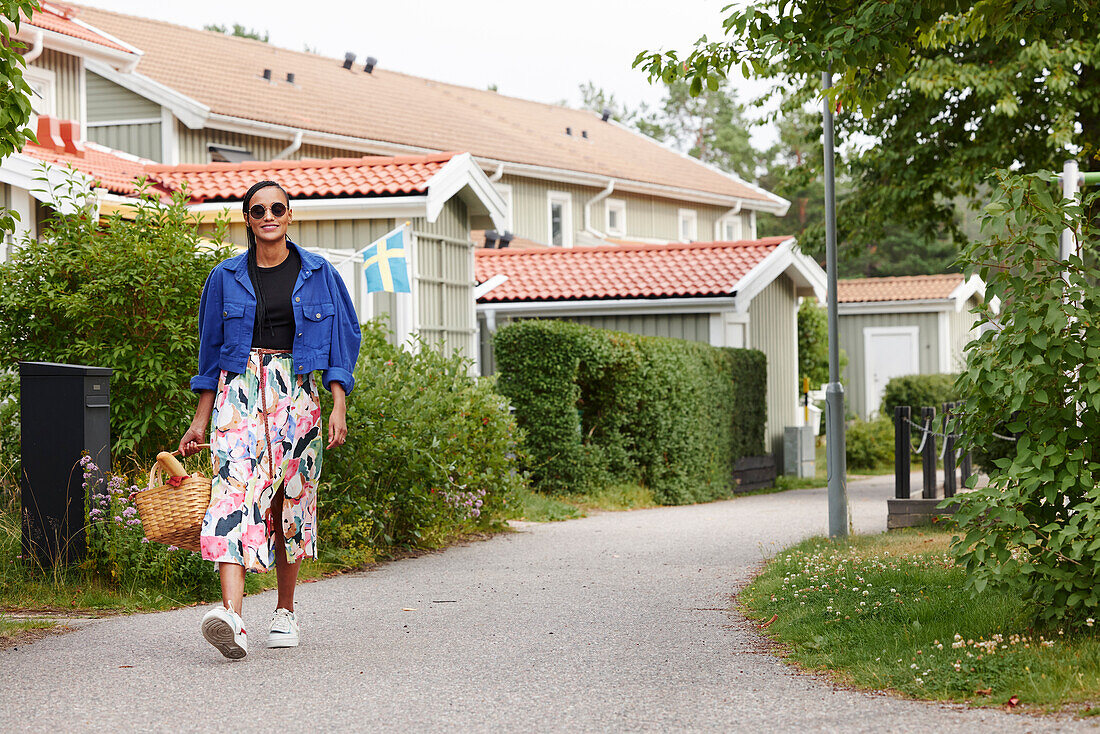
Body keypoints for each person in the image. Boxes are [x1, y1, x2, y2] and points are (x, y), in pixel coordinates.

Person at [179, 180, 360, 660]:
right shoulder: (225, 276)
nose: (268, 216)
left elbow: (344, 339)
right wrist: (200, 419)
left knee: (288, 504)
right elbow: (211, 352)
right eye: (257, 209)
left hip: (297, 392)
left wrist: (339, 402)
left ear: (289, 215)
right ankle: (233, 620)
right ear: (247, 218)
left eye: (277, 207)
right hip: (237, 391)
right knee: (231, 495)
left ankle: (284, 611)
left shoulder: (320, 273)